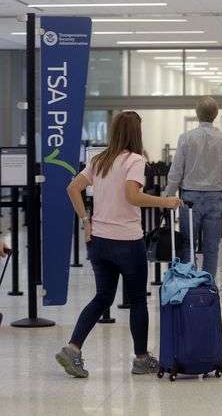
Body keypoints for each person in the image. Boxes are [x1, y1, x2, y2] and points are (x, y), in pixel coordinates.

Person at [57, 111, 183, 378]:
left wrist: (85, 221)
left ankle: (72, 347)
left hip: (99, 241)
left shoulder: (99, 159)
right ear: (136, 133)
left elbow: (72, 188)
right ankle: (140, 358)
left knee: (103, 297)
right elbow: (132, 196)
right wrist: (166, 201)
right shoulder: (135, 160)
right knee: (138, 300)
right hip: (127, 241)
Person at [165, 96, 222, 278]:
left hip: (189, 199)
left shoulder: (185, 138)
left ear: (197, 114)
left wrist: (167, 197)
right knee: (211, 248)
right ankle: (208, 286)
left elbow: (176, 171)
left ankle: (187, 285)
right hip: (216, 198)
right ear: (215, 115)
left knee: (188, 246)